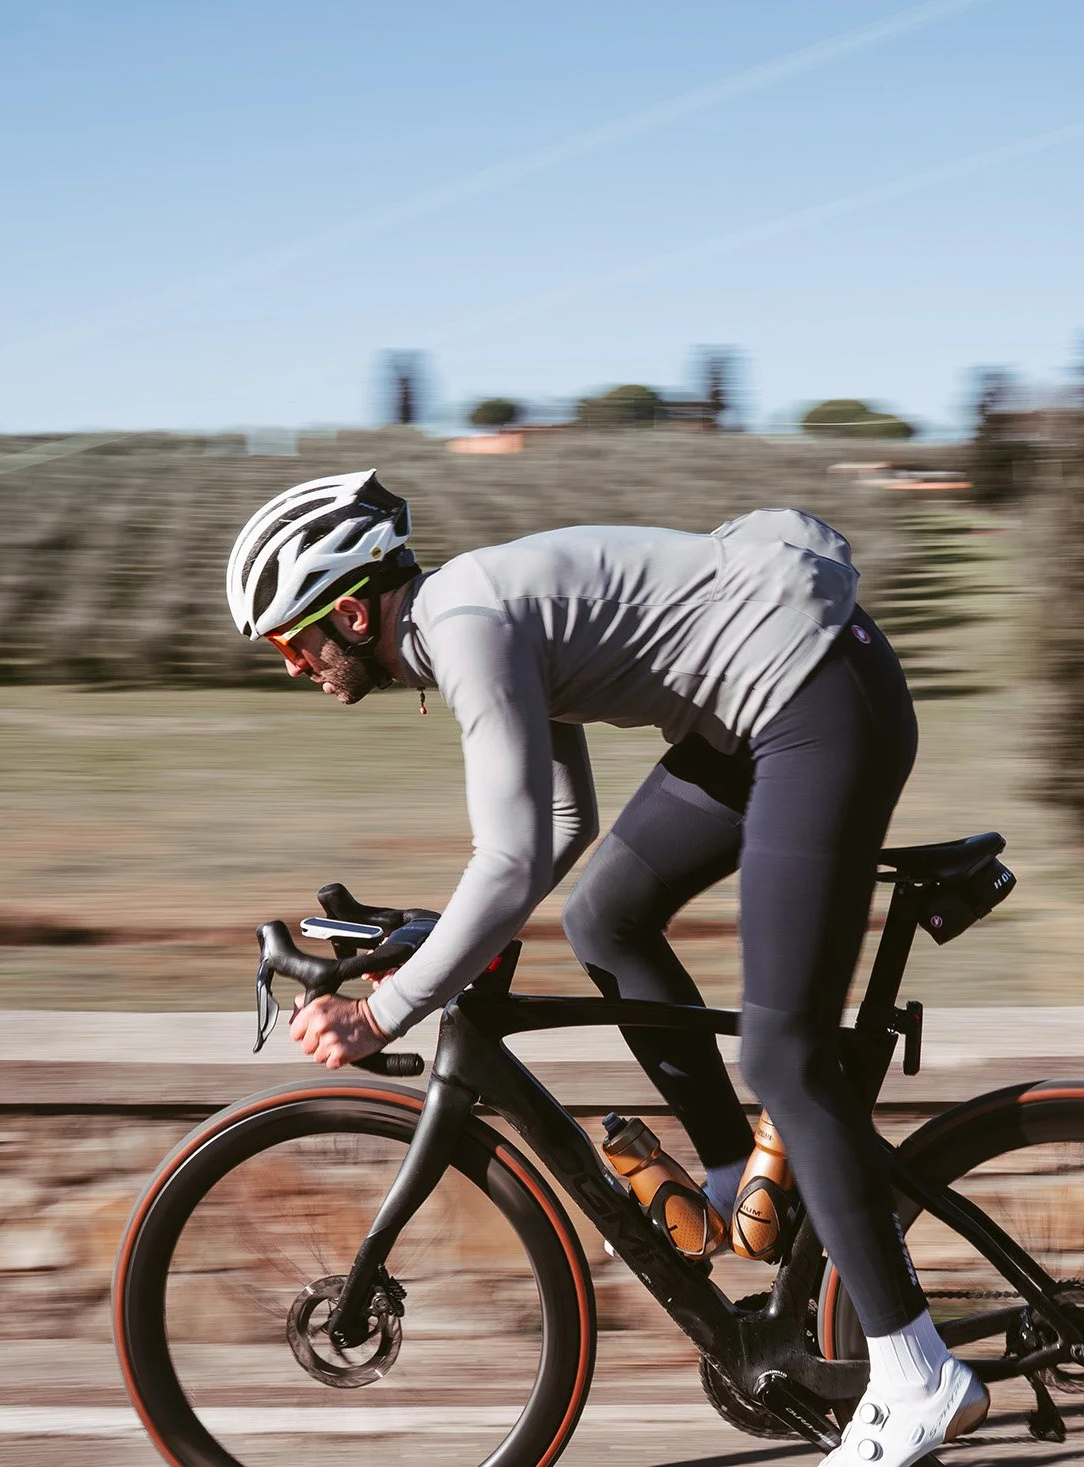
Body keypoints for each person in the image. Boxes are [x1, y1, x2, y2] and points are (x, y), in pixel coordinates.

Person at [226, 469, 987, 1467]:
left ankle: (915, 1372)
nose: (293, 668)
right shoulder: (469, 619)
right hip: (757, 712)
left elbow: (506, 859)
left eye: (293, 642)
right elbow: (560, 825)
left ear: (353, 612)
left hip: (813, 702)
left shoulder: (467, 627)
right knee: (609, 918)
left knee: (782, 1052)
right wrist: (443, 940)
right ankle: (732, 1187)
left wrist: (389, 1010)